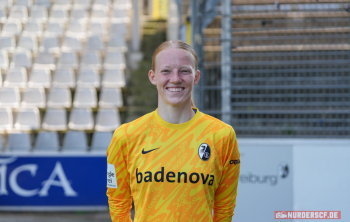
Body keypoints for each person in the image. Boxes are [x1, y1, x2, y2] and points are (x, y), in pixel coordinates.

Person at [106, 40, 240, 222]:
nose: (175, 78)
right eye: (166, 71)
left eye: (184, 71)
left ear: (196, 76)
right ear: (153, 77)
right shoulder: (126, 136)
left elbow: (225, 207)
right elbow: (118, 204)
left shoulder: (222, 135)